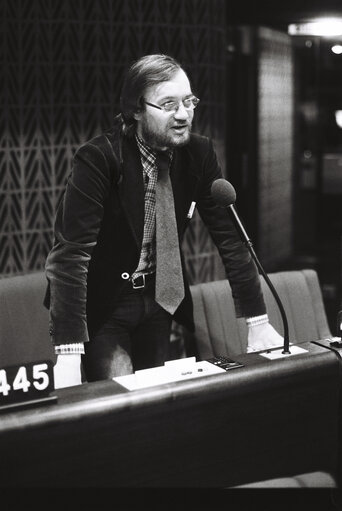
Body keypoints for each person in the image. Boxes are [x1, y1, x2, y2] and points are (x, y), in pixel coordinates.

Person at [45, 53, 283, 389]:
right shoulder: (99, 158)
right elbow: (70, 255)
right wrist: (67, 354)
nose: (184, 114)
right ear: (137, 109)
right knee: (122, 406)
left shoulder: (199, 153)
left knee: (155, 403)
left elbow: (230, 239)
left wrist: (257, 320)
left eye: (189, 101)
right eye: (169, 104)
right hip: (106, 303)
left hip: (159, 300)